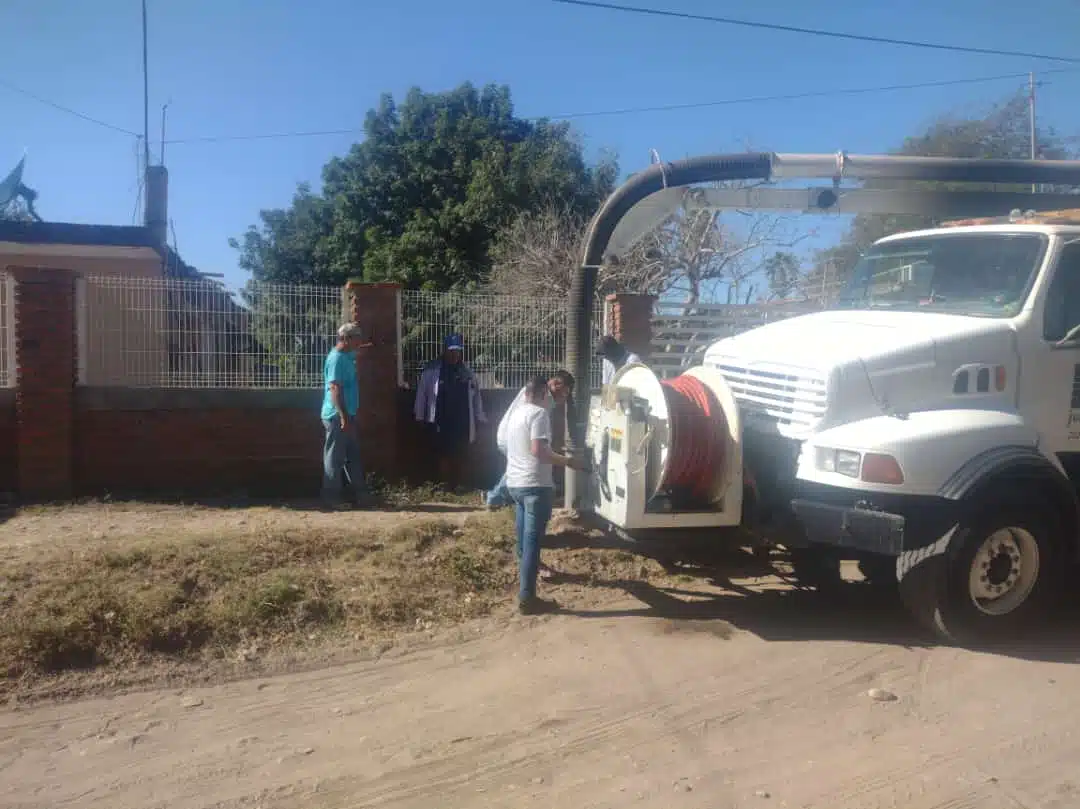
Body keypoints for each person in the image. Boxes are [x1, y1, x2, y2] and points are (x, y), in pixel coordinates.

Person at [504, 375, 587, 614]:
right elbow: (539, 451)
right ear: (541, 393)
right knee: (532, 544)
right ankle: (527, 598)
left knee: (523, 543)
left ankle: (525, 590)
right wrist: (569, 461)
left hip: (516, 485)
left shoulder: (516, 414)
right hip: (535, 486)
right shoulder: (538, 414)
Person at [485, 370, 575, 510]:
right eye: (565, 393)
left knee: (517, 468)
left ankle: (496, 497)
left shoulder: (535, 388)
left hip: (509, 434)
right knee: (520, 467)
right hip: (513, 437)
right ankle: (494, 498)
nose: (564, 397)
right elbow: (537, 423)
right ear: (556, 384)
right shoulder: (546, 397)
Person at [414, 333, 487, 490]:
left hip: (463, 420)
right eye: (451, 350)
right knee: (443, 452)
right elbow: (422, 395)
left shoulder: (467, 373)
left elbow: (476, 397)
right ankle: (444, 484)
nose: (455, 354)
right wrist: (420, 416)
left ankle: (460, 484)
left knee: (462, 451)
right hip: (440, 419)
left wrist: (479, 416)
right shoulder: (431, 371)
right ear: (444, 350)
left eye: (458, 351)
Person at [321, 322, 373, 509]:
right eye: (356, 338)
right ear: (345, 339)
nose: (359, 341)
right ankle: (331, 498)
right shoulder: (337, 359)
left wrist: (366, 348)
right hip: (337, 415)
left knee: (353, 456)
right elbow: (335, 389)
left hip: (347, 415)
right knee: (335, 457)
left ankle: (360, 496)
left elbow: (357, 353)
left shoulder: (346, 355)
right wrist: (343, 417)